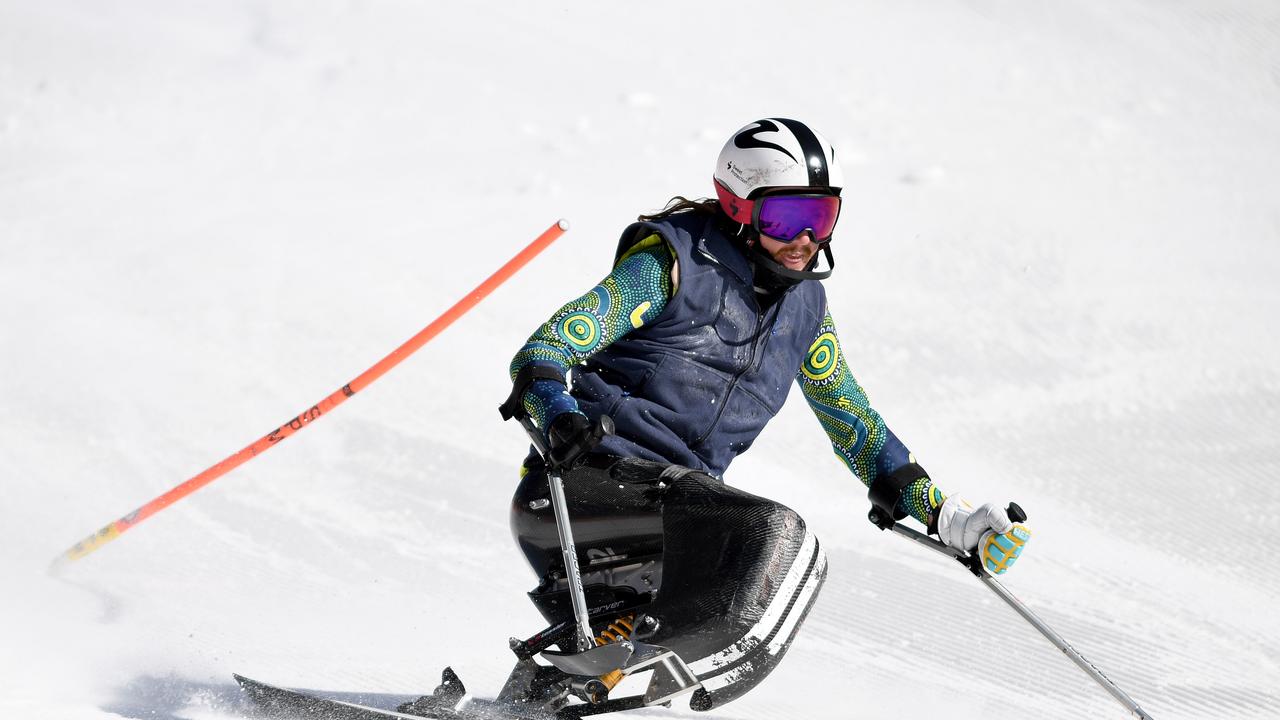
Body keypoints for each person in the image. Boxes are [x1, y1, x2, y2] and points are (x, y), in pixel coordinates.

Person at [499, 118, 1032, 712]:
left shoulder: (803, 307)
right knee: (782, 541)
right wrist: (559, 417)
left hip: (676, 521)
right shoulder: (672, 264)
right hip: (584, 490)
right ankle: (641, 677)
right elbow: (543, 353)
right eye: (785, 219)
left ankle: (538, 702)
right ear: (737, 208)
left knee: (749, 566)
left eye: (821, 218)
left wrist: (943, 513)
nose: (805, 239)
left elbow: (848, 415)